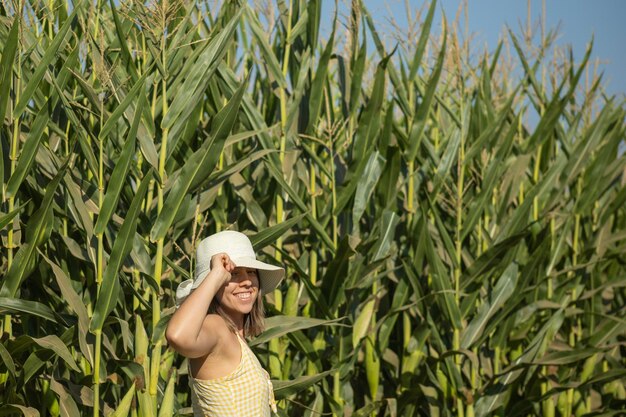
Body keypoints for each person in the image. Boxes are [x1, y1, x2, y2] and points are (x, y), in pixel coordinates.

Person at [166, 230, 284, 416]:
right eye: (234, 273)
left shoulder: (234, 336)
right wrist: (216, 275)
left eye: (251, 272)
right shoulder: (216, 327)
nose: (246, 281)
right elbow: (177, 336)